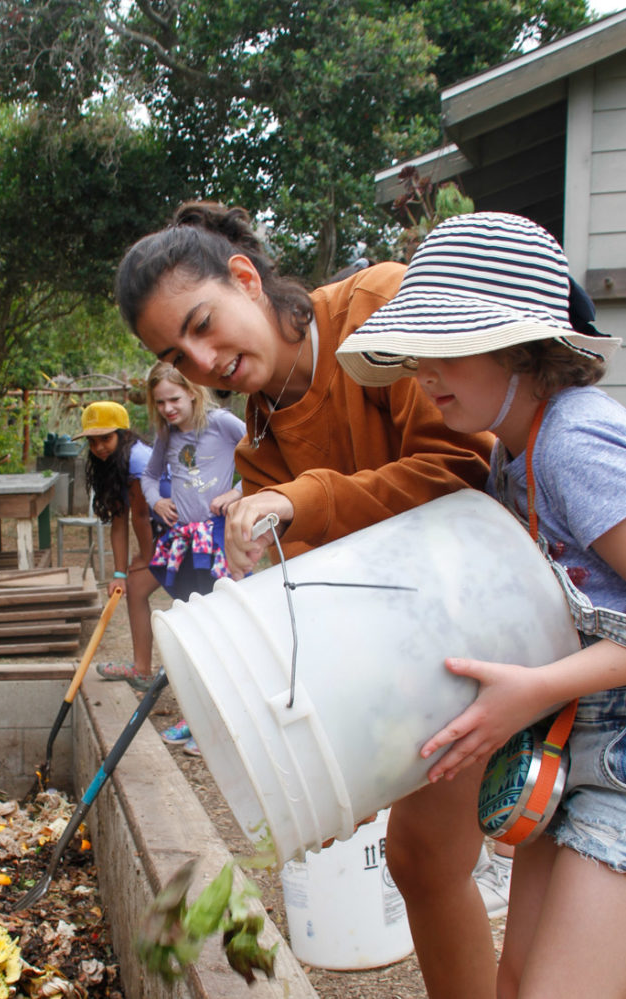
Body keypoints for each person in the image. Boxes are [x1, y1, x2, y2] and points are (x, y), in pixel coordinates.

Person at [115, 200, 497, 999]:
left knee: (524, 849)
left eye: (202, 323)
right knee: (421, 858)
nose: (200, 358)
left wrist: (303, 498)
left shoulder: (379, 307)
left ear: (245, 278)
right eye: (174, 351)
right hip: (425, 640)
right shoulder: (259, 437)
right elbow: (320, 590)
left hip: (505, 602)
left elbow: (461, 470)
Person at [336, 210, 626, 998]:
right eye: (416, 353)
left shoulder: (573, 441)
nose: (423, 376)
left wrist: (530, 691)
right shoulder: (509, 457)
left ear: (524, 346)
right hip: (575, 752)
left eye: (447, 349)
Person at [97, 362, 245, 710]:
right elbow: (149, 478)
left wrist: (237, 493)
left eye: (174, 399)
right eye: (160, 403)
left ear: (193, 391)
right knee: (192, 622)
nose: (167, 409)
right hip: (182, 540)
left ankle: (219, 712)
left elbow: (266, 454)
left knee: (216, 625)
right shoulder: (168, 435)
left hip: (216, 540)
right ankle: (192, 709)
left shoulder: (222, 423)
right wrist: (157, 501)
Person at [74, 400, 156, 683]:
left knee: (188, 601)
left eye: (106, 439)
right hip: (161, 532)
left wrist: (147, 558)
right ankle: (141, 670)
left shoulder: (137, 460)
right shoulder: (112, 464)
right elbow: (119, 522)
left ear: (123, 434)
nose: (99, 448)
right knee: (133, 587)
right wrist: (120, 573)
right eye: (93, 442)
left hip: (184, 532)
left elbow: (142, 516)